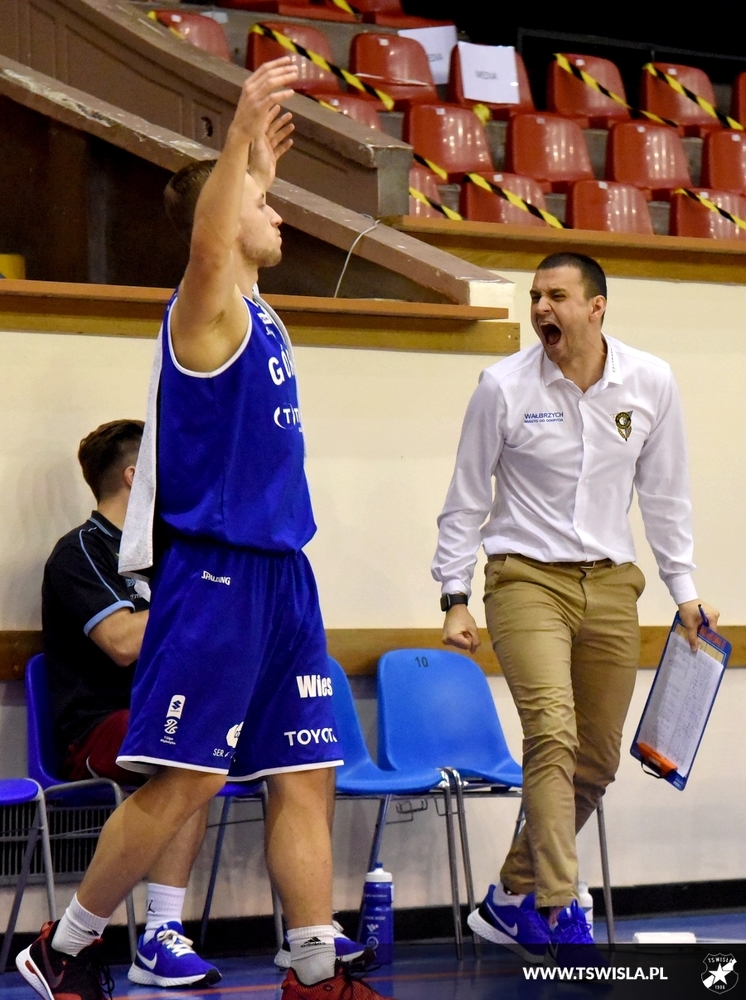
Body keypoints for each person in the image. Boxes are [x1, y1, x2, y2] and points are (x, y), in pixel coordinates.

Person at [18, 58, 391, 1000]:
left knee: (305, 772)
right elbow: (211, 240)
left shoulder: (260, 317)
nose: (277, 213)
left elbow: (237, 219)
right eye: (262, 205)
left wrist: (256, 165)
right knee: (185, 782)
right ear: (219, 227)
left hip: (284, 574)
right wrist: (235, 143)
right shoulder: (204, 313)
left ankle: (313, 967)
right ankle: (64, 946)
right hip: (219, 576)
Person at [432, 252, 719, 961]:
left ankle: (509, 895)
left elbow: (666, 496)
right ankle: (561, 908)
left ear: (597, 307)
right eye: (535, 296)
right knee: (551, 734)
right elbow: (466, 498)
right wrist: (454, 595)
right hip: (525, 579)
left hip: (613, 583)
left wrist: (684, 591)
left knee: (595, 761)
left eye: (556, 296)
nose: (540, 309)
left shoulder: (650, 381)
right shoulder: (502, 386)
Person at [42, 419, 220, 988]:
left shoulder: (171, 551)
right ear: (134, 475)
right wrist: (199, 600)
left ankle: (311, 934)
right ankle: (154, 934)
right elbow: (121, 642)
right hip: (96, 728)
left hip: (170, 713)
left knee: (251, 747)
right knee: (188, 751)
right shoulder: (79, 552)